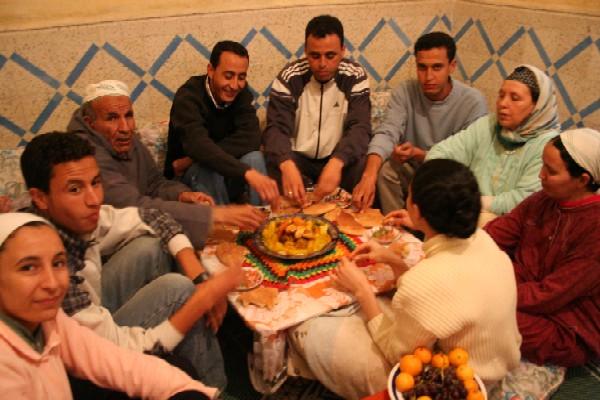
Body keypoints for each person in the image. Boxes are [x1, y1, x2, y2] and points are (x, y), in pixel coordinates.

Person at [20, 131, 245, 391]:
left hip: (95, 307)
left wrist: (199, 276)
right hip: (79, 368)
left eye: (95, 182)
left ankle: (187, 346)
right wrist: (203, 298)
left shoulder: (76, 219)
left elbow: (154, 218)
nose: (94, 200)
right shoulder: (49, 270)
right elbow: (119, 354)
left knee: (152, 245)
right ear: (40, 198)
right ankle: (211, 388)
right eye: (74, 189)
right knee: (181, 290)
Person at [288, 159, 521, 399]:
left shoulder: (426, 279)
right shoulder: (484, 240)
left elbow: (396, 352)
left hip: (458, 383)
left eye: (408, 196)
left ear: (416, 211)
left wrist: (362, 290)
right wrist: (392, 260)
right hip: (496, 362)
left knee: (313, 329)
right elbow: (437, 298)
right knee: (378, 304)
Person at [0, 212, 215, 399]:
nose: (52, 283)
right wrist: (203, 299)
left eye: (58, 263)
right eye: (28, 268)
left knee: (179, 375)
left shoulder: (49, 320)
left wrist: (189, 389)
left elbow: (116, 362)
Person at [67, 79, 265, 248]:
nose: (125, 127)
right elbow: (135, 208)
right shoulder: (85, 155)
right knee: (153, 247)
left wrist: (182, 194)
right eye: (112, 118)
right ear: (90, 123)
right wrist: (215, 214)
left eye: (128, 116)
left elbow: (155, 183)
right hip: (113, 245)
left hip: (146, 220)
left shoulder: (126, 139)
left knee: (254, 158)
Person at [485, 128, 600, 367]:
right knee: (470, 279)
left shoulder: (595, 229)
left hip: (565, 323)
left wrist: (493, 295)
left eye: (551, 171)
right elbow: (497, 234)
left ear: (583, 180)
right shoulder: (543, 199)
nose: (541, 175)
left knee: (484, 313)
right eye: (543, 166)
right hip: (521, 289)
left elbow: (551, 295)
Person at [352, 31, 488, 213]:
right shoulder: (405, 91)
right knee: (386, 171)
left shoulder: (473, 102)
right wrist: (368, 176)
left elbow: (468, 159)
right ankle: (396, 226)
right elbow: (387, 132)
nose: (428, 76)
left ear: (452, 66)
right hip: (414, 171)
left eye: (437, 67)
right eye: (422, 67)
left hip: (449, 178)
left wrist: (421, 154)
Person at [426, 64, 560, 222]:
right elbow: (439, 154)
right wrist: (451, 190)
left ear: (536, 107)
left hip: (512, 223)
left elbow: (525, 199)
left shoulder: (549, 145)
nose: (503, 103)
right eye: (501, 95)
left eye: (514, 98)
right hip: (465, 209)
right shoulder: (488, 124)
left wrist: (473, 202)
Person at [263, 15, 371, 204]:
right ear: (305, 51)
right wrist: (286, 163)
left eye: (330, 56)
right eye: (314, 56)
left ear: (343, 51)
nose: (322, 64)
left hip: (338, 158)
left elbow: (360, 127)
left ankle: (354, 217)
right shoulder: (289, 77)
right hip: (298, 159)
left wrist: (338, 161)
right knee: (273, 161)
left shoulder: (355, 76)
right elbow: (275, 129)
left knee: (361, 162)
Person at [165, 41, 279, 206]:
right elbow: (198, 145)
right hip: (189, 180)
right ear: (211, 70)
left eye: (241, 77)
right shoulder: (188, 97)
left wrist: (192, 159)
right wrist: (246, 173)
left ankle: (263, 215)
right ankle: (223, 219)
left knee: (255, 158)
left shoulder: (241, 93)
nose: (234, 85)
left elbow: (252, 138)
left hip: (221, 171)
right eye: (228, 76)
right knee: (208, 167)